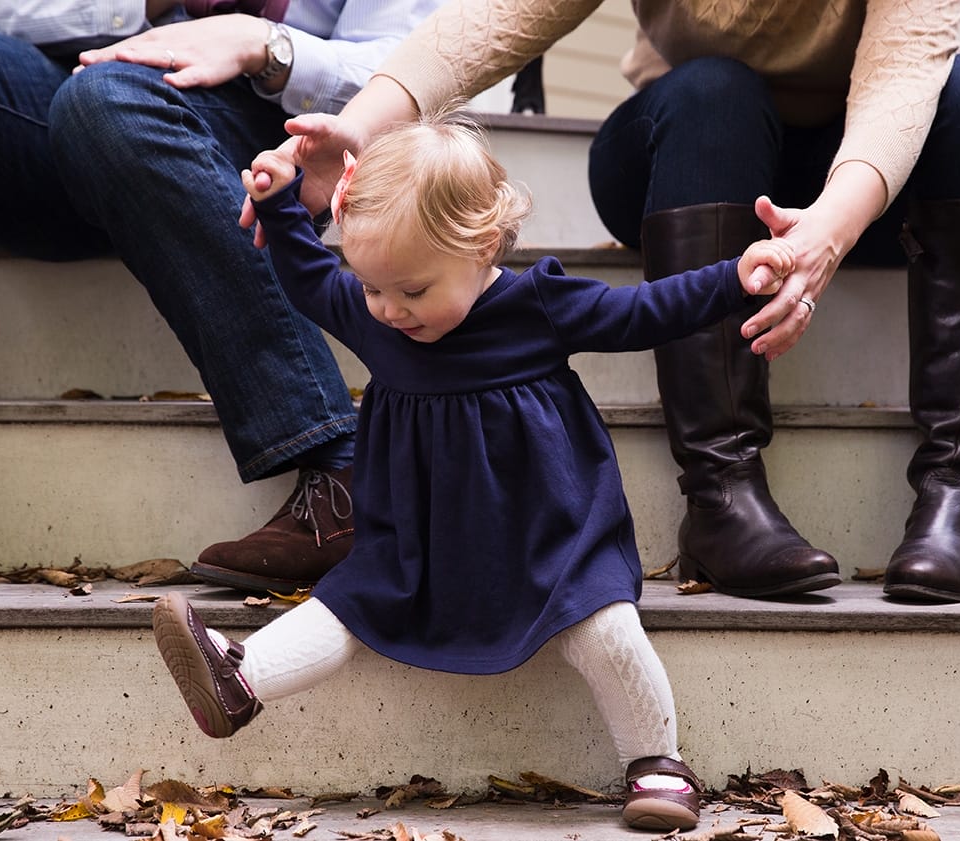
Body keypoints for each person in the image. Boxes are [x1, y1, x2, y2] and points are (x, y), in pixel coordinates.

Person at [267, 0, 960, 603]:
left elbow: (905, 69)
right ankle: (722, 493)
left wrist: (828, 233)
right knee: (714, 89)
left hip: (862, 178)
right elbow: (499, 18)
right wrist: (359, 129)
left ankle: (958, 493)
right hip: (686, 150)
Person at [153, 109, 798, 830]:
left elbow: (643, 310)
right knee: (351, 600)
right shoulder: (380, 308)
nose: (389, 310)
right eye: (372, 288)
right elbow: (307, 277)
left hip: (550, 533)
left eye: (414, 292)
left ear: (483, 245)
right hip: (419, 538)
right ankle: (239, 678)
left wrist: (735, 277)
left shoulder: (537, 305)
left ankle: (657, 763)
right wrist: (278, 202)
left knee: (606, 628)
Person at [0, 0, 443, 597]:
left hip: (268, 133)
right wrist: (141, 9)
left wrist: (262, 45)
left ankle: (345, 474)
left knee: (106, 98)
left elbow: (415, 65)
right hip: (54, 108)